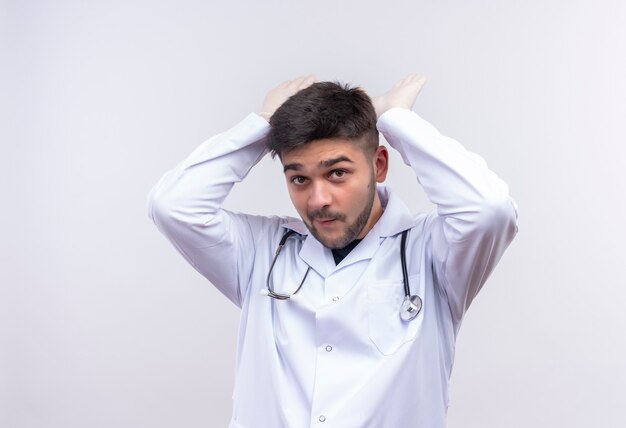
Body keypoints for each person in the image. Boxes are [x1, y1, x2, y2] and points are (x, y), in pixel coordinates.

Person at [147, 74, 518, 427]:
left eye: (337, 173)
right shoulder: (262, 250)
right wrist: (261, 125)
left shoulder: (431, 252)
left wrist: (396, 120)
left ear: (379, 165)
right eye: (299, 179)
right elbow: (173, 205)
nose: (318, 200)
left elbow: (489, 209)